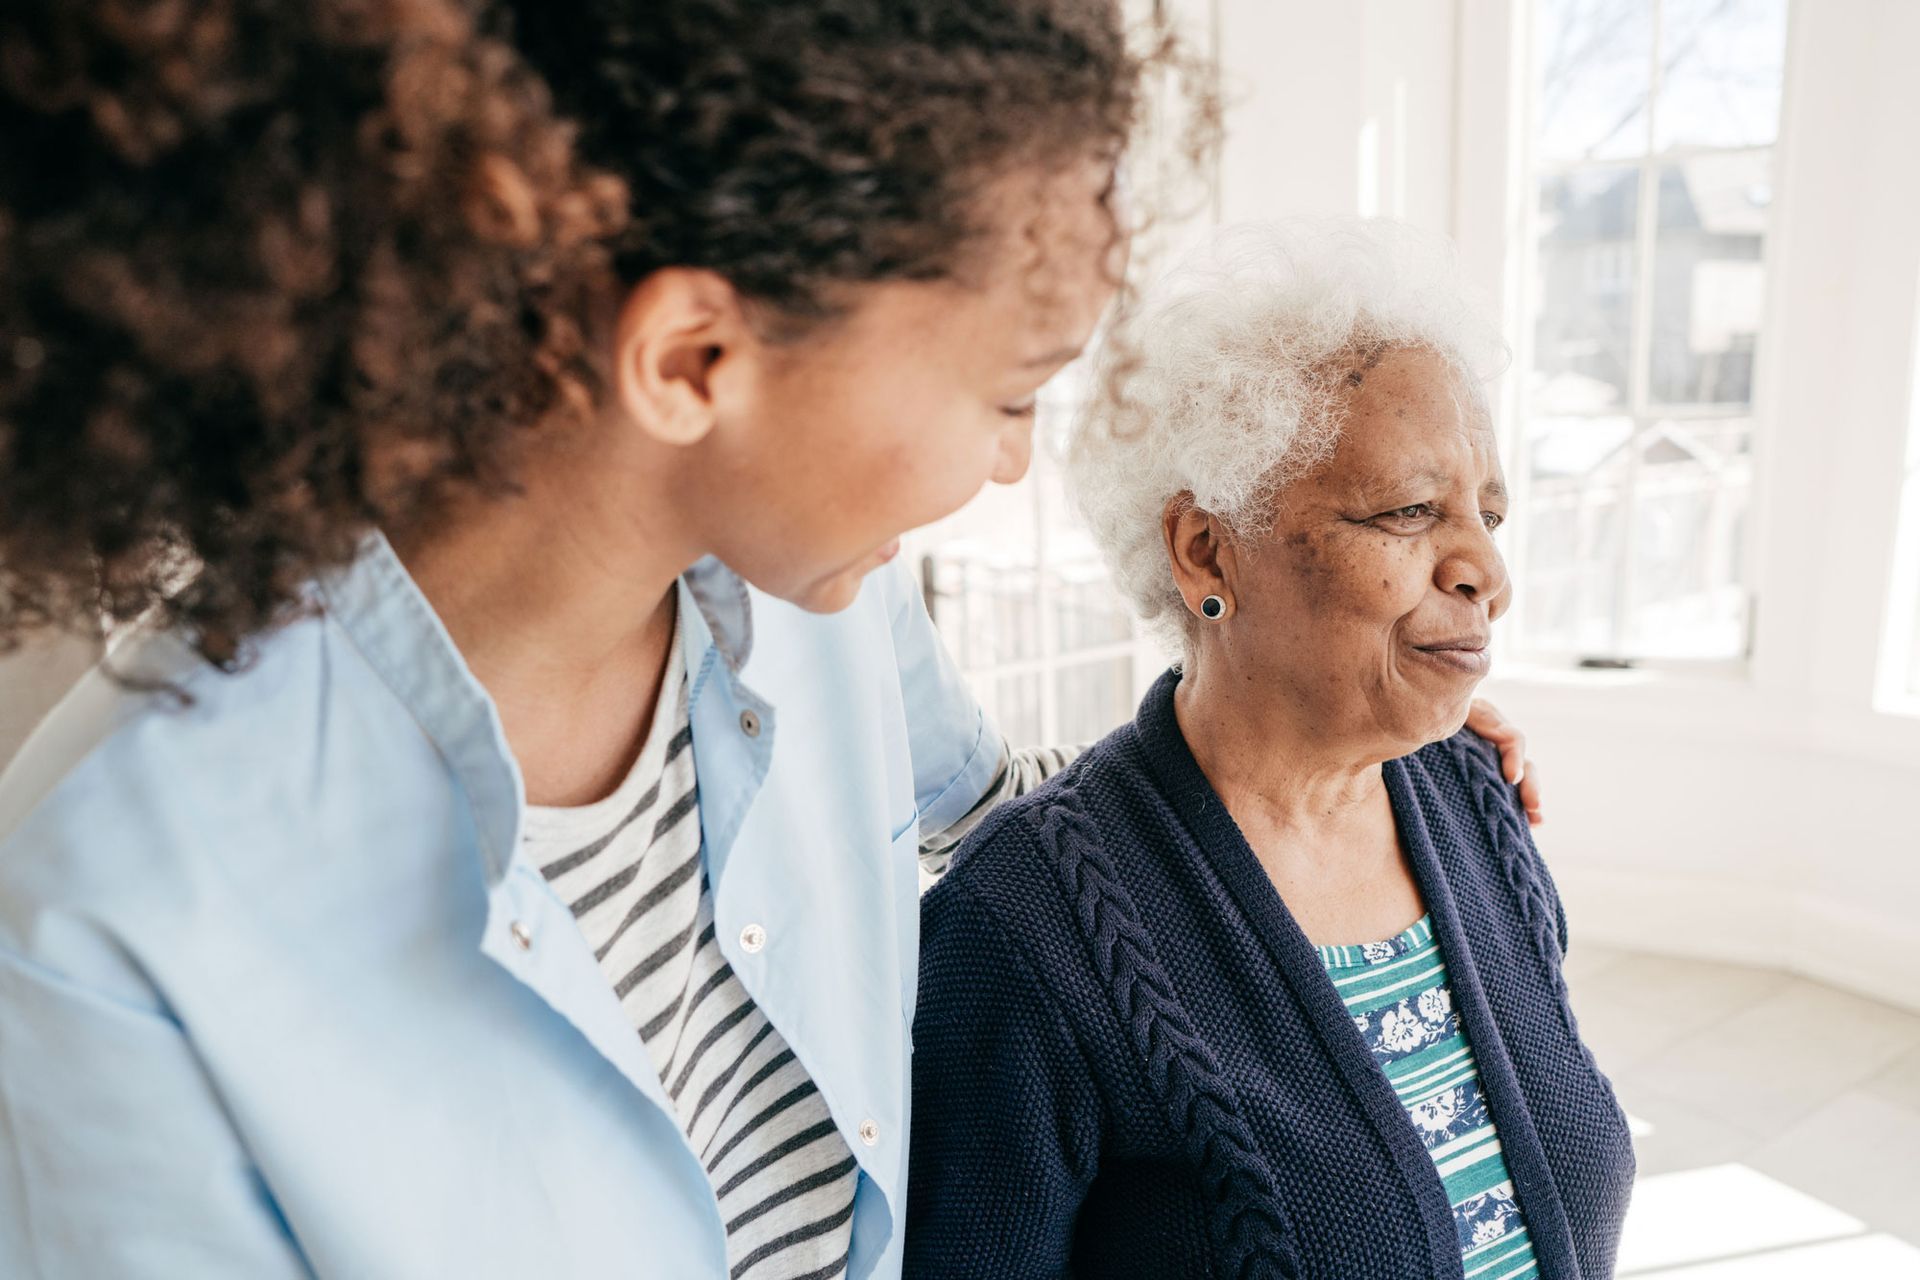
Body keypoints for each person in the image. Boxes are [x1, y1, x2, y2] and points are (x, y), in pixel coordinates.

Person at [0, 4, 1538, 1275]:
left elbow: (1007, 825)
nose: (1010, 465)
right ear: (694, 359)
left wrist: (1297, 750)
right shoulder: (109, 919)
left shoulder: (826, 607)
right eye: (1008, 395)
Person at [905, 220, 1631, 1280]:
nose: (1486, 569)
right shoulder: (1016, 928)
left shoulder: (1475, 788)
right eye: (1411, 509)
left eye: (1489, 512)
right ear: (1207, 549)